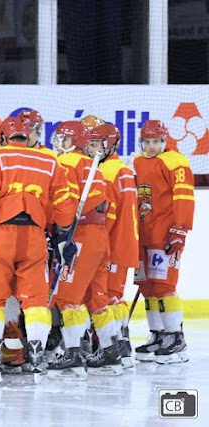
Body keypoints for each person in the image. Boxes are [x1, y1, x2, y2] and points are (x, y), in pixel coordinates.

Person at [0, 116, 77, 384]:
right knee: (36, 301)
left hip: (1, 234)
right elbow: (65, 204)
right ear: (29, 137)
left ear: (4, 137)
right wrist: (62, 236)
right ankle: (37, 360)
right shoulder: (50, 160)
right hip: (35, 236)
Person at [48, 121, 120, 378]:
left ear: (72, 142)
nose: (58, 144)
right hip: (99, 237)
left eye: (63, 139)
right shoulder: (92, 166)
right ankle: (112, 349)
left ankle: (73, 352)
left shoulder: (66, 163)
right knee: (96, 297)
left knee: (67, 296)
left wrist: (61, 232)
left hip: (80, 236)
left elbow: (64, 201)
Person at [133, 119, 194, 364]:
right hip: (143, 235)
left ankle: (176, 338)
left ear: (164, 140)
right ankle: (158, 335)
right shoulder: (136, 162)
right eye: (147, 141)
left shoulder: (175, 162)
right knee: (147, 286)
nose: (151, 146)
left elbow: (184, 197)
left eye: (156, 141)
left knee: (164, 285)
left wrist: (180, 229)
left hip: (165, 234)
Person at [94, 124, 139, 369]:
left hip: (112, 244)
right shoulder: (123, 169)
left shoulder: (108, 170)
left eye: (99, 143)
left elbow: (107, 213)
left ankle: (111, 348)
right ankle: (122, 344)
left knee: (106, 297)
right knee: (115, 297)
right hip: (125, 243)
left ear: (110, 144)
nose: (94, 148)